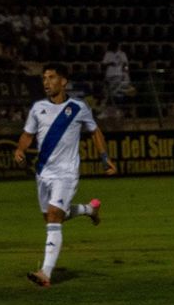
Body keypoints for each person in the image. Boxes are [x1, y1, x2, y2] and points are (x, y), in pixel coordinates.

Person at [13, 63, 115, 287]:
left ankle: (45, 273)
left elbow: (95, 131)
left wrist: (104, 157)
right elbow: (27, 135)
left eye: (51, 77)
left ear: (63, 82)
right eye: (44, 78)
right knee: (53, 216)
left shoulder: (78, 108)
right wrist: (20, 149)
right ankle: (90, 209)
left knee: (53, 216)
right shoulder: (38, 108)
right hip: (43, 173)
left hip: (66, 174)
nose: (46, 82)